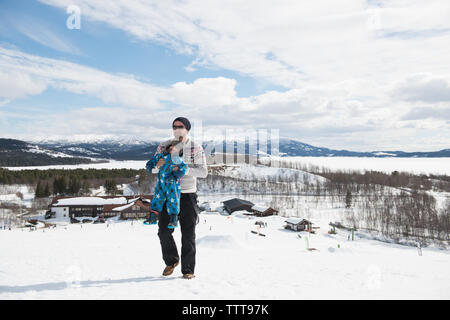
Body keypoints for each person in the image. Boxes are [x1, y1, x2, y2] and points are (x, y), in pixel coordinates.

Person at [145, 117, 208, 280]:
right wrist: (157, 167)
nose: (177, 129)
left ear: (188, 129)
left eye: (181, 126)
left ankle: (188, 270)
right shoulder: (164, 146)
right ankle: (171, 261)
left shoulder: (195, 148)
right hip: (167, 193)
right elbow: (152, 169)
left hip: (187, 194)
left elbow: (203, 172)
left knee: (188, 234)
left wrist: (182, 169)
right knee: (164, 231)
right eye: (174, 126)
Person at [144, 139, 188, 228]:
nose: (172, 149)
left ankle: (173, 219)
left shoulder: (177, 159)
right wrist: (150, 167)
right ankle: (152, 217)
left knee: (173, 200)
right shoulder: (161, 156)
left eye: (176, 148)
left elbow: (184, 168)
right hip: (161, 183)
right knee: (157, 198)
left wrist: (175, 175)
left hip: (172, 184)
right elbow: (151, 162)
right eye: (171, 147)